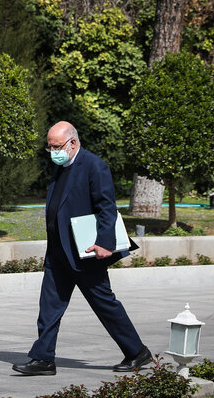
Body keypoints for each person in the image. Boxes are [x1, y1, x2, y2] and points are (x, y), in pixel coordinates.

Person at [12, 121, 151, 376]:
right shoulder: (61, 167)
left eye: (57, 146)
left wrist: (105, 243)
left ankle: (137, 352)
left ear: (72, 143)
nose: (53, 151)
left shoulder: (94, 166)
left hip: (85, 253)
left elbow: (106, 207)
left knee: (104, 304)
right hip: (58, 253)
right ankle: (43, 358)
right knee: (49, 307)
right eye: (50, 147)